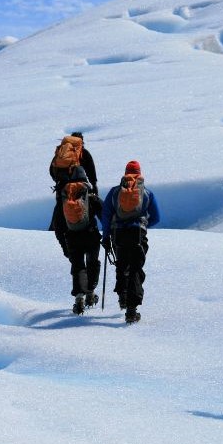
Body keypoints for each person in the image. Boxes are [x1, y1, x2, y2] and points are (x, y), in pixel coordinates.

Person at [101, 161, 160, 323]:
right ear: (139, 173)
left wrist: (106, 236)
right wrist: (143, 224)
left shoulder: (115, 192)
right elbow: (156, 217)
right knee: (135, 269)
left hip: (118, 234)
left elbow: (106, 215)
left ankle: (123, 297)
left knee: (121, 265)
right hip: (137, 234)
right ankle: (132, 310)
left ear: (126, 173)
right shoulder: (146, 193)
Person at [51, 166, 103, 314]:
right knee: (92, 263)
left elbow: (58, 226)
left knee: (78, 267)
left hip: (72, 238)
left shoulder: (64, 198)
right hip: (91, 236)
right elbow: (105, 216)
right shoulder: (90, 196)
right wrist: (109, 236)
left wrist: (64, 245)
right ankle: (90, 293)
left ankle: (79, 297)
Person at [48, 132, 98, 256]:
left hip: (62, 188)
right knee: (85, 208)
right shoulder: (83, 153)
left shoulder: (61, 153)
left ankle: (53, 231)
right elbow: (91, 172)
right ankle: (86, 230)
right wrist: (93, 186)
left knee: (60, 209)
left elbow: (51, 170)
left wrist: (61, 181)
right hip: (81, 188)